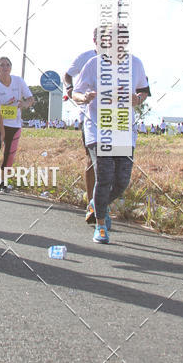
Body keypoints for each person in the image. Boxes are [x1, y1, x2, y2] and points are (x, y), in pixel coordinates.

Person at [73, 26, 149, 244]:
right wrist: (84, 97)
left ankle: (96, 204)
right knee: (105, 176)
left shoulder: (135, 63)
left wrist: (139, 99)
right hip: (98, 128)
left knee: (122, 181)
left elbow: (144, 90)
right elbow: (76, 92)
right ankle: (100, 225)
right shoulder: (94, 64)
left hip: (123, 128)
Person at [64, 29, 98, 223]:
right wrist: (71, 91)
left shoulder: (123, 60)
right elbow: (67, 75)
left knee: (115, 160)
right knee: (92, 158)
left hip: (116, 118)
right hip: (89, 114)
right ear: (94, 39)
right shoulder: (85, 58)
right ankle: (92, 203)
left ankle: (104, 200)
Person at [0, 57, 34, 191]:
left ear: (11, 68)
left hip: (14, 123)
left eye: (8, 65)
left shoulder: (18, 81)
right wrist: (2, 132)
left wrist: (25, 104)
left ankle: (3, 181)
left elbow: (31, 99)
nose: (5, 68)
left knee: (10, 153)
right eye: (2, 65)